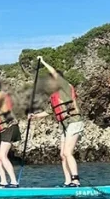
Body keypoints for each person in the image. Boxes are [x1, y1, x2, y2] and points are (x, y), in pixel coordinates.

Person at [29, 56, 84, 186]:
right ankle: (68, 181)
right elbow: (48, 111)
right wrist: (34, 116)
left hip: (74, 121)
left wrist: (42, 62)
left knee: (67, 152)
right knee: (62, 155)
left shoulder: (64, 86)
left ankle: (76, 180)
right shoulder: (53, 95)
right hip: (64, 125)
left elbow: (54, 72)